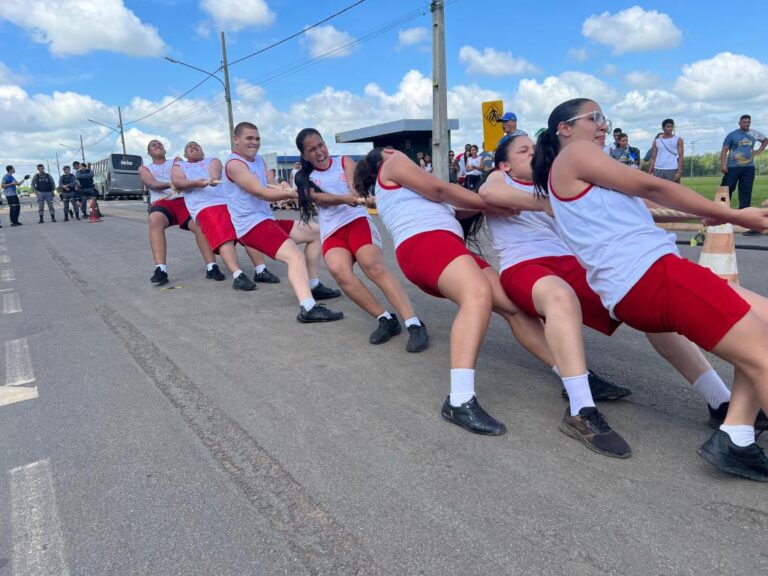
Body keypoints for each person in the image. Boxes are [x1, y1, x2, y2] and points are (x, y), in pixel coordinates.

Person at [481, 133, 766, 457]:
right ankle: (581, 408)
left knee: (651, 300)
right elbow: (489, 192)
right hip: (526, 265)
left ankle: (719, 400)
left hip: (572, 264)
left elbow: (638, 209)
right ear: (505, 164)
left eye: (534, 148)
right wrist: (549, 203)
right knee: (561, 298)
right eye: (523, 151)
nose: (532, 154)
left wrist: (704, 214)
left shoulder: (555, 183)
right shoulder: (500, 178)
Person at [353, 147, 560, 436]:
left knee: (511, 305)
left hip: (443, 245)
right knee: (477, 295)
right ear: (387, 152)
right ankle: (459, 400)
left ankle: (570, 372)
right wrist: (498, 201)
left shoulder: (405, 189)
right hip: (427, 243)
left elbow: (457, 207)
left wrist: (492, 201)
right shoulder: (393, 162)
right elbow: (440, 190)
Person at [294, 127, 429, 350]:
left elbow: (353, 183)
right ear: (304, 155)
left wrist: (356, 194)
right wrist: (344, 198)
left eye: (321, 145)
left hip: (357, 221)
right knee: (340, 272)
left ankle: (414, 323)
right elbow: (318, 197)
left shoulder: (343, 161)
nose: (319, 152)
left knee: (371, 264)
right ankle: (385, 319)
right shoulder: (302, 177)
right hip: (332, 231)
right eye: (312, 149)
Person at [223, 122, 344, 323]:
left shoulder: (258, 160)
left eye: (257, 138)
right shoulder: (235, 164)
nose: (254, 142)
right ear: (236, 140)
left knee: (316, 232)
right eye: (249, 138)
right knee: (294, 256)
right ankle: (308, 307)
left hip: (266, 220)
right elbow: (259, 192)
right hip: (251, 226)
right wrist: (298, 194)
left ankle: (313, 285)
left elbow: (265, 185)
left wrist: (282, 186)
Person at [172, 141, 277, 292]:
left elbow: (216, 168)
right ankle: (237, 275)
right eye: (189, 147)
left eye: (197, 146)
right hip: (205, 206)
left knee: (247, 229)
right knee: (224, 236)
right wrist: (195, 182)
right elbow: (177, 181)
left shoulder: (212, 160)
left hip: (227, 202)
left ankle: (261, 270)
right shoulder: (180, 166)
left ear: (202, 152)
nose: (193, 147)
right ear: (185, 154)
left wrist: (213, 178)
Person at [139, 139, 226, 286]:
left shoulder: (176, 161)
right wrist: (169, 184)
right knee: (154, 219)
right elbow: (151, 184)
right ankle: (161, 269)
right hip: (162, 202)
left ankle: (212, 266)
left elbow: (183, 175)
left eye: (160, 144)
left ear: (165, 150)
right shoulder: (145, 168)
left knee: (199, 225)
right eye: (153, 145)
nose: (157, 145)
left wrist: (183, 183)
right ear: (149, 152)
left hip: (182, 200)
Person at [720, 115, 768, 236]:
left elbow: (765, 140)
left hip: (748, 168)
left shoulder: (754, 133)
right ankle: (721, 215)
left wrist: (759, 151)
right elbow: (724, 150)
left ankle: (745, 219)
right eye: (744, 122)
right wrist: (723, 165)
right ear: (739, 123)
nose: (747, 124)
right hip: (733, 167)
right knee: (726, 190)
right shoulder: (732, 135)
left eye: (748, 122)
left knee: (745, 192)